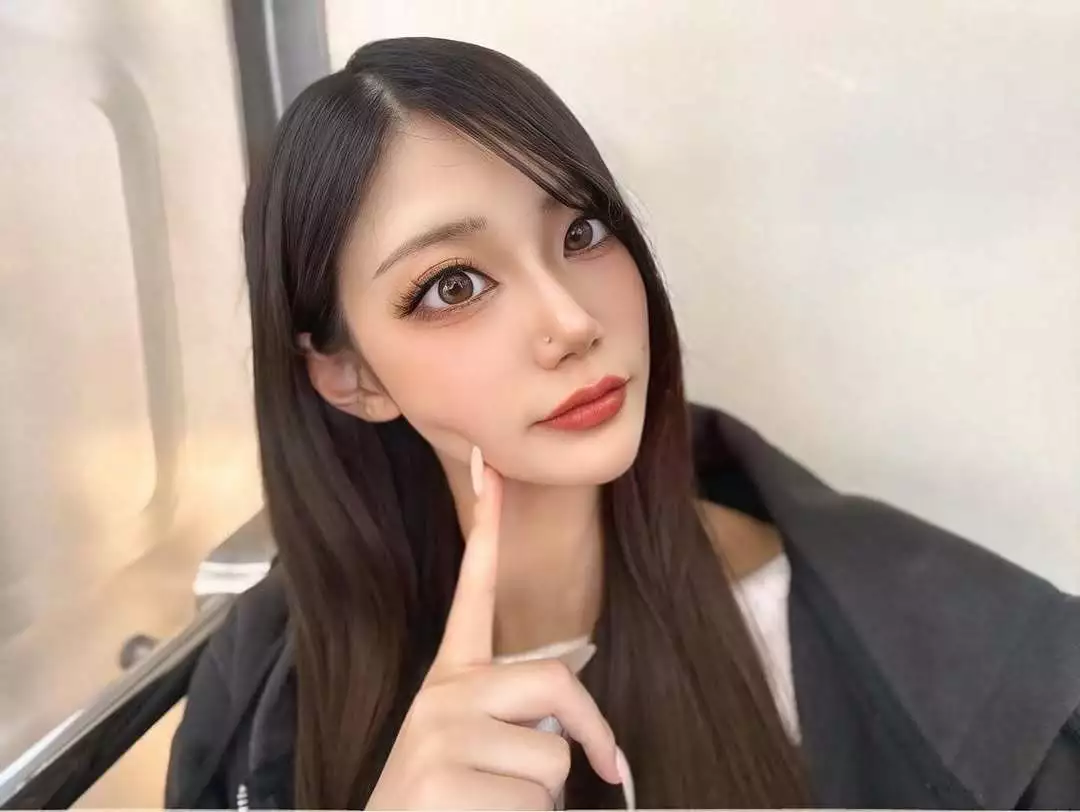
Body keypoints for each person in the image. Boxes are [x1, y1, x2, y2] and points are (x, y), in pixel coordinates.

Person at [165, 37, 1080, 810]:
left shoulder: (938, 644)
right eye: (453, 285)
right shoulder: (260, 704)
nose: (571, 321)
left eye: (582, 232)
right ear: (350, 375)